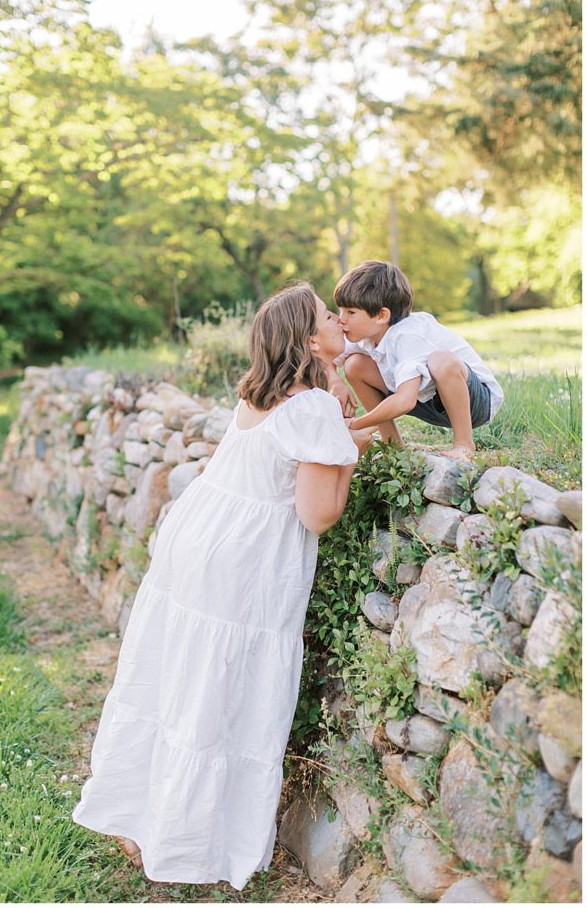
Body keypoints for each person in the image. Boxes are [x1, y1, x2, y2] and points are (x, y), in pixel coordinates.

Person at [72, 283, 375, 890]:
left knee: (175, 682)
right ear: (310, 340)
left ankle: (141, 820)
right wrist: (347, 451)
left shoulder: (260, 395)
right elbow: (317, 514)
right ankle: (186, 842)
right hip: (242, 565)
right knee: (217, 694)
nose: (340, 323)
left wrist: (342, 429)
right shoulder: (313, 408)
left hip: (197, 539)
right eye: (326, 318)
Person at [332, 261, 503, 459]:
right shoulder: (367, 333)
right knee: (354, 365)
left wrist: (355, 424)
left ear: (381, 315)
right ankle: (392, 445)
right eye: (340, 311)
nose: (341, 319)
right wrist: (336, 381)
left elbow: (405, 401)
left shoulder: (408, 336)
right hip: (427, 400)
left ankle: (464, 444)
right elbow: (326, 356)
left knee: (441, 361)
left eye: (350, 312)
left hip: (475, 402)